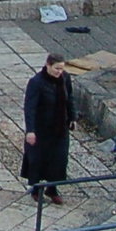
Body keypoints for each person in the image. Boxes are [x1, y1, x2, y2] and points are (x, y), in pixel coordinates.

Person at [22, 53, 74, 205]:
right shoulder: (36, 83)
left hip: (59, 127)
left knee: (59, 159)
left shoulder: (65, 78)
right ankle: (36, 188)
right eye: (56, 68)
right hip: (42, 128)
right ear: (48, 65)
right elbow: (30, 107)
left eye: (61, 69)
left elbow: (69, 98)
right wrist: (30, 130)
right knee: (38, 159)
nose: (59, 72)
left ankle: (52, 188)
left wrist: (73, 117)